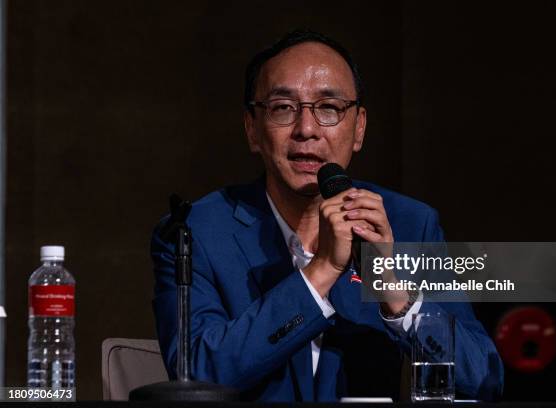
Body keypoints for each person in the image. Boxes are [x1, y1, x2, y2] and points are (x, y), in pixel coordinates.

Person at [152, 29, 503, 401]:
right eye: (283, 108)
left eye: (329, 109)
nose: (306, 130)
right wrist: (320, 272)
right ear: (252, 130)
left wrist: (395, 293)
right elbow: (196, 376)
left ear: (359, 129)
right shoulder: (195, 232)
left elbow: (482, 379)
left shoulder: (410, 224)